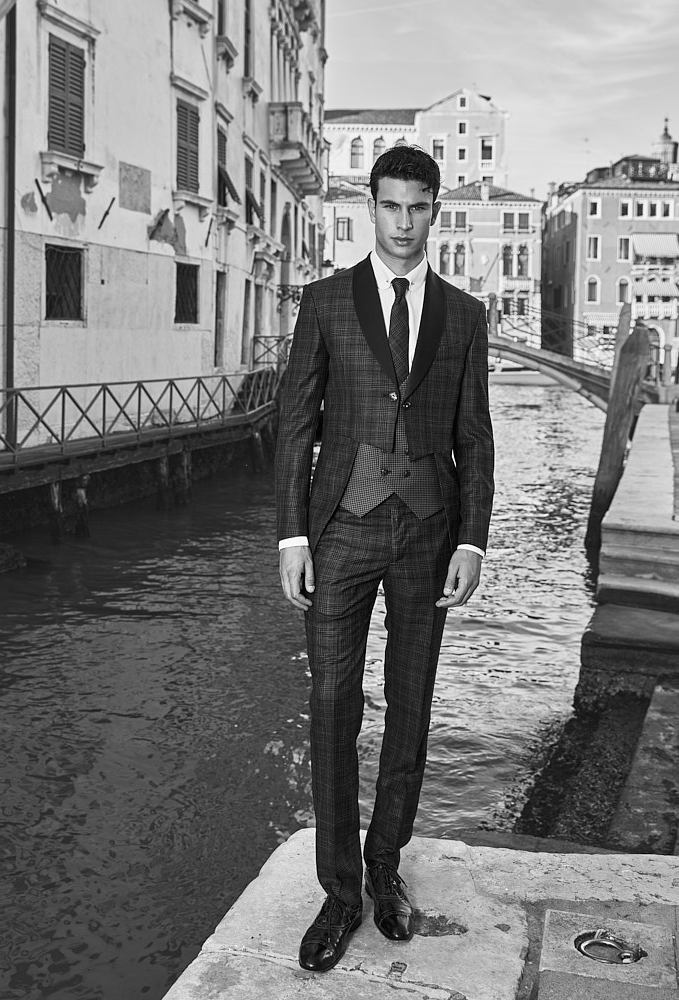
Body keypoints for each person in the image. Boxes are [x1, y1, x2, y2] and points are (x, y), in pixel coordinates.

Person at [275, 144, 494, 973]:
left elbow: (474, 436)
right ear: (371, 207)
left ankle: (384, 866)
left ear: (435, 211)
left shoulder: (466, 315)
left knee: (409, 707)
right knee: (333, 706)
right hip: (340, 533)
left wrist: (472, 538)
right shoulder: (325, 302)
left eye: (419, 208)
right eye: (391, 206)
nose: (404, 224)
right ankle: (338, 892)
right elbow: (296, 424)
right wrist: (292, 536)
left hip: (428, 536)